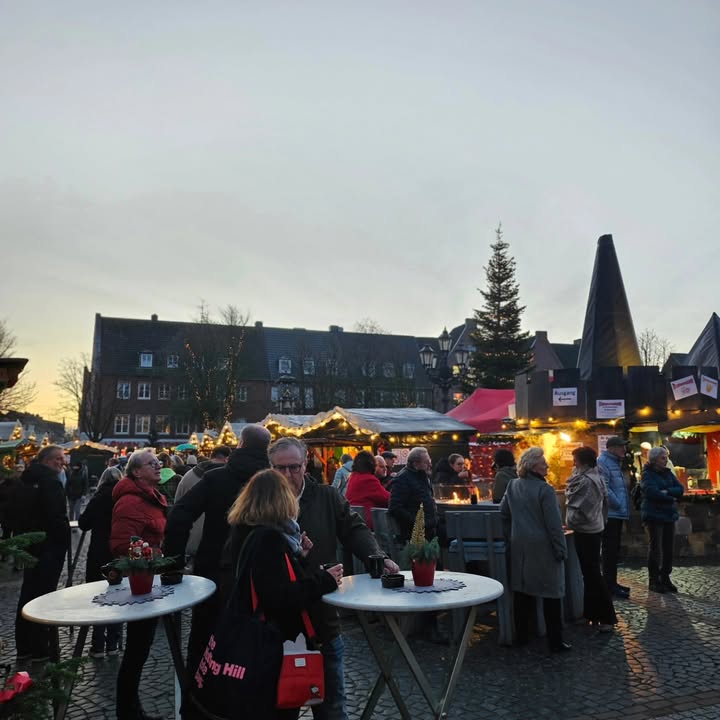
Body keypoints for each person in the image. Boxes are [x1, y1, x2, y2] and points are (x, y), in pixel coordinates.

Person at [257, 436, 398, 720]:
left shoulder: (326, 496)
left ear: (305, 463)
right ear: (270, 467)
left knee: (332, 706)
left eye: (294, 467)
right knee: (277, 708)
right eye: (280, 468)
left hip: (322, 619)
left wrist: (377, 557)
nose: (287, 475)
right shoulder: (259, 502)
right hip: (274, 623)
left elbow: (353, 529)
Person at [226, 468, 343, 720]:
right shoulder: (269, 538)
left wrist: (298, 557)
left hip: (254, 635)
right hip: (273, 643)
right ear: (282, 500)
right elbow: (279, 597)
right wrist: (325, 580)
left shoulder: (244, 530)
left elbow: (268, 578)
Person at [163, 424, 272, 681]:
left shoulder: (215, 478)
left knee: (204, 634)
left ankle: (198, 690)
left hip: (212, 568)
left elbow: (179, 516)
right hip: (262, 572)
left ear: (240, 444)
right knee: (256, 635)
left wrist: (173, 562)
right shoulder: (273, 483)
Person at [110, 448, 168, 720]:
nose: (158, 466)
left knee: (140, 648)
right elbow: (123, 544)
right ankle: (128, 711)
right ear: (136, 471)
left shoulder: (151, 496)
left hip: (149, 578)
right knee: (136, 650)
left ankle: (131, 709)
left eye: (157, 462)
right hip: (138, 582)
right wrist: (155, 556)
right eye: (150, 463)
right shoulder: (131, 502)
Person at [499, 447, 570, 652]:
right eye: (543, 462)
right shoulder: (545, 490)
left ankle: (522, 637)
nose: (546, 465)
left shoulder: (513, 485)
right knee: (551, 594)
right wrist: (561, 549)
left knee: (523, 592)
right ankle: (555, 642)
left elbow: (503, 512)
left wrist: (512, 534)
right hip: (543, 547)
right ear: (533, 466)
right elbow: (554, 525)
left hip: (520, 546)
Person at [14, 445, 70, 663]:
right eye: (58, 459)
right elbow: (57, 515)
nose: (62, 463)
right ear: (46, 460)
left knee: (28, 592)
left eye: (63, 459)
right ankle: (40, 647)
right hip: (49, 546)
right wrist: (64, 540)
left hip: (30, 543)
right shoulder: (51, 481)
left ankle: (24, 646)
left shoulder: (24, 480)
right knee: (43, 595)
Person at [565, 446, 617, 632]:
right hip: (590, 529)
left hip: (588, 531)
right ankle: (591, 614)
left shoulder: (587, 481)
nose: (573, 464)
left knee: (593, 574)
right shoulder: (592, 477)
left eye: (575, 460)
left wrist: (571, 521)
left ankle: (607, 617)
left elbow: (583, 508)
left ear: (583, 462)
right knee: (588, 574)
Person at [79, 465, 123, 658]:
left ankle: (97, 645)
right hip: (117, 551)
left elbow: (83, 523)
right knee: (118, 595)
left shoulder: (97, 499)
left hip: (98, 551)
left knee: (98, 595)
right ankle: (113, 643)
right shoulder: (123, 499)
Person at [173, 445, 232, 569]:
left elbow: (177, 507)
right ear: (227, 459)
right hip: (219, 545)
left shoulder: (188, 476)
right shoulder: (230, 479)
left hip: (189, 543)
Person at [641, 446, 684, 593]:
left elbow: (680, 489)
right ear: (654, 460)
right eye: (663, 458)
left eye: (666, 457)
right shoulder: (647, 474)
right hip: (654, 515)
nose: (666, 460)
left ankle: (665, 577)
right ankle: (654, 580)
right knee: (656, 548)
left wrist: (667, 491)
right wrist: (671, 497)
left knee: (668, 548)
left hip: (668, 515)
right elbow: (652, 492)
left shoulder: (668, 473)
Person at [597, 436, 632, 599]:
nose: (624, 449)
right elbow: (604, 487)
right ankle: (609, 585)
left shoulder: (614, 462)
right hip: (610, 513)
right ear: (611, 448)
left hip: (616, 513)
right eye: (620, 446)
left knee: (614, 550)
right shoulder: (603, 462)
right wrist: (617, 503)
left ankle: (612, 583)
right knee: (610, 550)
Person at [388, 447, 439, 544]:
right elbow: (395, 508)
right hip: (414, 535)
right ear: (415, 464)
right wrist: (418, 522)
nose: (430, 465)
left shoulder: (422, 476)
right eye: (426, 462)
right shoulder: (402, 479)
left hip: (429, 529)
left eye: (430, 461)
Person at [345, 450, 390, 529]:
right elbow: (386, 499)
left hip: (354, 521)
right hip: (368, 525)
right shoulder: (368, 479)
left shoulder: (353, 476)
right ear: (371, 464)